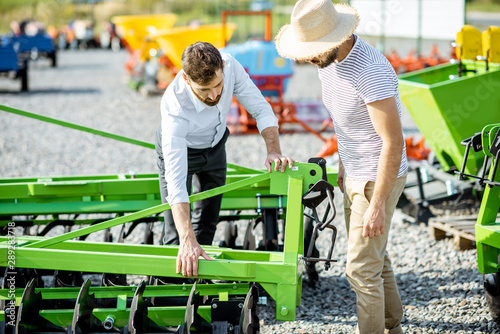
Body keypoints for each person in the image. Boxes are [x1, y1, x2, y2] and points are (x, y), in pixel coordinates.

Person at [275, 1, 408, 333]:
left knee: (360, 270)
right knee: (374, 258)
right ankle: (394, 325)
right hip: (354, 171)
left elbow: (393, 142)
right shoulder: (328, 62)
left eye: (314, 51)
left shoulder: (369, 72)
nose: (309, 58)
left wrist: (377, 203)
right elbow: (343, 118)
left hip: (379, 176)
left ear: (338, 38)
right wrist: (343, 166)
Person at [155, 41, 294, 279]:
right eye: (204, 90)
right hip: (183, 150)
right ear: (187, 81)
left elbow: (260, 109)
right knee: (176, 234)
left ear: (222, 68)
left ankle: (199, 274)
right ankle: (172, 286)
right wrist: (187, 239)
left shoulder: (230, 65)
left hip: (216, 145)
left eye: (219, 85)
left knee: (208, 218)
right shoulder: (174, 108)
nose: (215, 94)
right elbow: (177, 186)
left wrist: (274, 150)